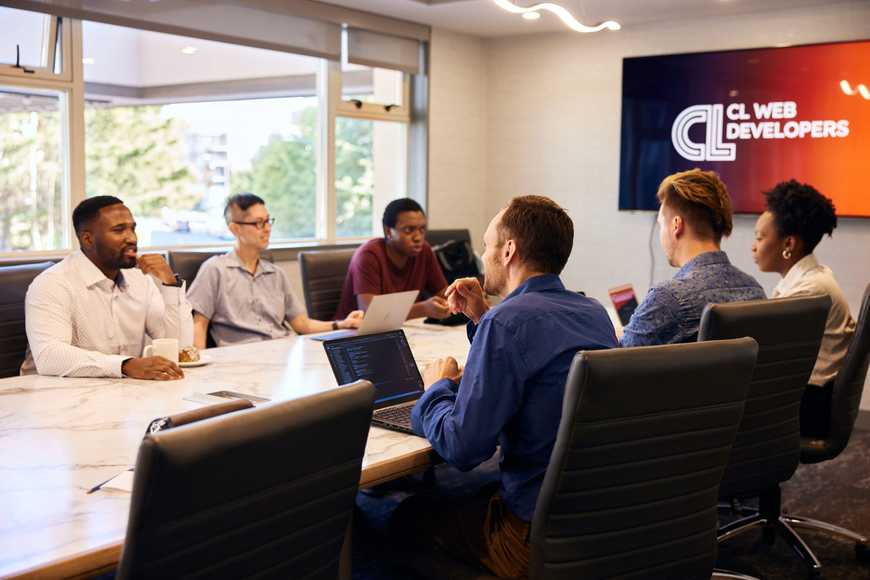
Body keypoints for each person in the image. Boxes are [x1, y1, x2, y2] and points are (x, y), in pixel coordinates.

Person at [393, 195, 618, 578]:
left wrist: (435, 389)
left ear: (509, 250)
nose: (483, 256)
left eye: (487, 245)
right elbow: (534, 357)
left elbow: (463, 449)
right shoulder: (592, 312)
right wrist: (484, 316)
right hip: (595, 517)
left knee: (401, 515)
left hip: (529, 535)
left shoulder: (507, 323)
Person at [23, 196, 192, 380]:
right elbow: (49, 356)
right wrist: (125, 365)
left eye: (133, 228)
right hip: (52, 397)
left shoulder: (140, 279)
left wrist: (170, 284)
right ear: (88, 239)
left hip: (121, 394)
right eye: (119, 230)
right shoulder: (53, 283)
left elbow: (180, 347)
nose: (132, 238)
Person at [187, 193, 363, 348]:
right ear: (235, 228)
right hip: (241, 356)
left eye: (268, 221)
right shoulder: (215, 269)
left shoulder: (276, 274)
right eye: (258, 223)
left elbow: (302, 324)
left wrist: (342, 324)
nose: (268, 228)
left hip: (285, 351)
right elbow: (198, 325)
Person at [752, 179, 856, 437]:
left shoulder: (810, 291)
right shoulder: (810, 278)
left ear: (789, 244)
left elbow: (767, 357)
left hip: (808, 409)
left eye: (760, 237)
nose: (754, 246)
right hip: (807, 399)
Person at [621, 169, 765, 346]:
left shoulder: (668, 299)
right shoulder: (754, 290)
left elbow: (616, 363)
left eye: (661, 224)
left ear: (676, 225)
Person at [334, 198, 450, 321]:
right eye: (408, 230)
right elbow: (369, 313)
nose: (418, 237)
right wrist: (423, 309)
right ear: (388, 231)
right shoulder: (368, 255)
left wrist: (455, 296)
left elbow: (443, 293)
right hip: (351, 332)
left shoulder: (423, 250)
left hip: (403, 327)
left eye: (422, 229)